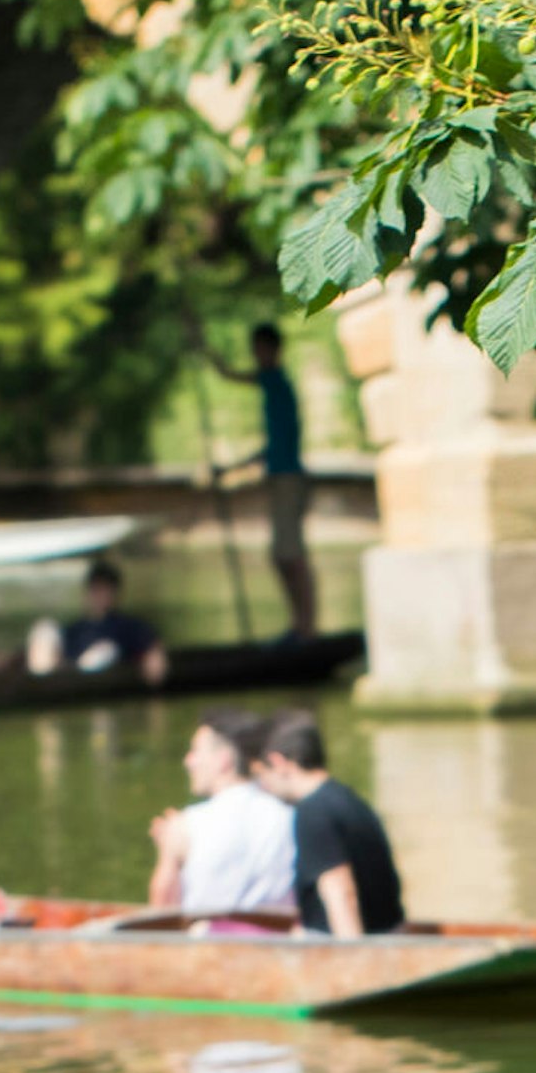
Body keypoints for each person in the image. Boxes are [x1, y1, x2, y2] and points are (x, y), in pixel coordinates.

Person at [249, 711, 405, 938]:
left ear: (279, 763)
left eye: (260, 774)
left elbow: (341, 893)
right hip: (389, 937)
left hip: (347, 950)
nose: (262, 786)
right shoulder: (350, 800)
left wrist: (353, 962)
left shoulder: (312, 812)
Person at [212, 322, 322, 643]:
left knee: (291, 556)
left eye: (260, 348)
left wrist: (233, 468)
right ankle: (301, 626)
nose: (257, 355)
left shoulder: (277, 384)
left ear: (273, 349)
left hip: (288, 479)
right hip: (281, 478)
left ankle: (306, 629)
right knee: (282, 556)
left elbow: (277, 447)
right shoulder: (273, 384)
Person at [148, 710, 298, 919]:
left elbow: (162, 908)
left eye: (195, 751)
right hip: (278, 947)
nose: (188, 762)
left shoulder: (187, 825)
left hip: (208, 947)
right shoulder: (290, 817)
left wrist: (167, 849)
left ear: (223, 760)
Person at [26, 560, 170, 685]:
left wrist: (153, 661)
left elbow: (153, 651)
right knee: (45, 628)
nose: (99, 595)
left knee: (106, 650)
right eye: (95, 589)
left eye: (105, 590)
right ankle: (41, 682)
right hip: (70, 672)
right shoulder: (76, 629)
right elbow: (61, 653)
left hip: (100, 671)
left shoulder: (128, 627)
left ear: (115, 593)